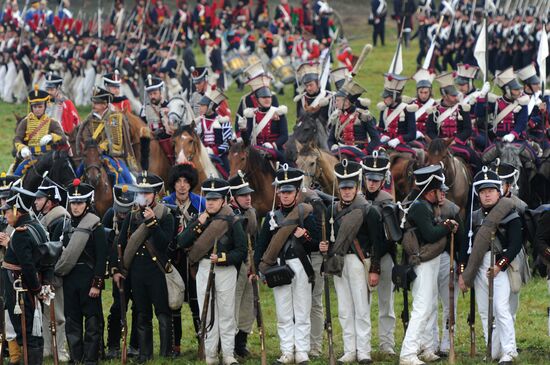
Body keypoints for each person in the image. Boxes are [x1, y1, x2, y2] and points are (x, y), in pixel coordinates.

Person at [255, 165, 320, 365]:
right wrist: (260, 269)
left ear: (297, 193)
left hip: (301, 264)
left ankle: (301, 351)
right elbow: (261, 245)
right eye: (282, 191)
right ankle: (286, 351)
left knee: (302, 311)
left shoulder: (306, 214)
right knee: (283, 313)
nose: (284, 195)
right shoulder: (271, 217)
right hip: (279, 267)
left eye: (289, 191)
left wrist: (305, 236)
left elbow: (316, 244)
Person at [177, 177, 246, 365]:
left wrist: (223, 258)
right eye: (208, 199)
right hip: (204, 267)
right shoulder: (200, 219)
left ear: (223, 200)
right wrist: (199, 222)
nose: (211, 202)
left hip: (225, 269)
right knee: (205, 312)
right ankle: (211, 355)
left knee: (226, 312)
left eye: (215, 199)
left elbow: (241, 250)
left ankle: (228, 354)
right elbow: (181, 242)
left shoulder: (232, 220)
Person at [320, 159, 382, 364]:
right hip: (339, 262)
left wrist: (375, 269)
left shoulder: (368, 210)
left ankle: (363, 351)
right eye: (343, 188)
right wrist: (325, 247)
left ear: (357, 187)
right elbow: (332, 239)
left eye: (350, 188)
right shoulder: (333, 210)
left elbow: (377, 242)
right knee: (344, 310)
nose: (346, 192)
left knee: (362, 309)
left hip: (359, 261)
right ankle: (349, 350)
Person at [458, 167, 522, 365]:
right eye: (483, 191)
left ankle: (509, 350)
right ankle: (493, 348)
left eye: (491, 190)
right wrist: (463, 272)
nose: (487, 194)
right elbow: (464, 249)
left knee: (501, 308)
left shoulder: (509, 214)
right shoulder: (474, 217)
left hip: (499, 267)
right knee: (485, 312)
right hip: (478, 268)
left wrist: (499, 266)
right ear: (478, 194)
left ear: (499, 191)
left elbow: (515, 244)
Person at [399, 165, 457, 365]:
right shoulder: (419, 207)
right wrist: (447, 225)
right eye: (437, 189)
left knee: (430, 305)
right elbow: (430, 234)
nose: (441, 193)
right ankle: (408, 354)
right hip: (422, 261)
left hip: (430, 261)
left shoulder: (425, 205)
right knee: (422, 308)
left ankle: (426, 347)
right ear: (429, 191)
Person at [114, 172, 175, 363]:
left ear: (155, 194)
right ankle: (144, 353)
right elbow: (120, 243)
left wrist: (153, 224)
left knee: (163, 313)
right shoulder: (132, 216)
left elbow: (166, 244)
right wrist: (117, 269)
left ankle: (166, 353)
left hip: (156, 270)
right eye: (141, 192)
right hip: (137, 272)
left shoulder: (165, 215)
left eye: (148, 193)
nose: (144, 196)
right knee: (142, 313)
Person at [52, 179, 107, 365]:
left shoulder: (96, 227)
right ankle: (77, 358)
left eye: (80, 203)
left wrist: (97, 284)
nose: (75, 207)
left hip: (89, 280)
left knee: (92, 322)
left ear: (87, 203)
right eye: (73, 203)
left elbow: (101, 258)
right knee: (72, 321)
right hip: (70, 281)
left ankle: (91, 359)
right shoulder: (64, 226)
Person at [1, 185, 51, 365]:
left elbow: (28, 266)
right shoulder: (35, 225)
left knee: (28, 333)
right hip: (30, 288)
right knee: (32, 332)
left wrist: (37, 289)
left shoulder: (21, 233)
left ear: (17, 211)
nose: (5, 216)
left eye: (7, 212)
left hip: (22, 291)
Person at [162, 163, 205, 355]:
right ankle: (175, 345)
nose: (182, 186)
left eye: (186, 181)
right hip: (174, 260)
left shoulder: (201, 203)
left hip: (195, 260)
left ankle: (202, 343)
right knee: (175, 302)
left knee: (197, 303)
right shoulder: (165, 203)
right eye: (178, 181)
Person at [33, 177, 71, 362]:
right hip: (43, 274)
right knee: (46, 313)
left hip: (54, 275)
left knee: (58, 315)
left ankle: (61, 350)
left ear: (49, 201)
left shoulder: (61, 219)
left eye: (39, 199)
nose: (36, 202)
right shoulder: (43, 219)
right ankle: (48, 348)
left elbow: (56, 250)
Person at [362, 151, 396, 355]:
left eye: (375, 180)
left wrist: (376, 261)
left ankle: (387, 344)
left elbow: (389, 237)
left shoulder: (387, 201)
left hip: (383, 256)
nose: (371, 184)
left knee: (386, 303)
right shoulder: (357, 199)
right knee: (361, 304)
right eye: (368, 179)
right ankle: (362, 344)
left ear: (383, 180)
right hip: (361, 257)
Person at [103, 184, 139, 359]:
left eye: (127, 209)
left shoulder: (137, 215)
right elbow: (105, 242)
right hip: (118, 268)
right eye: (120, 209)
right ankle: (113, 345)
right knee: (118, 307)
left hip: (136, 267)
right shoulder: (110, 215)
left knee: (139, 307)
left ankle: (135, 345)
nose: (123, 213)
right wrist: (113, 268)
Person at [430, 184, 465, 357]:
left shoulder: (452, 209)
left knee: (449, 304)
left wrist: (461, 264)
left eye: (444, 191)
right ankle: (433, 341)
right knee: (430, 304)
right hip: (429, 260)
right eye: (439, 191)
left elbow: (462, 239)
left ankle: (447, 341)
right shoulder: (425, 207)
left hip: (448, 259)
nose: (442, 195)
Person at [76, 87, 136, 185]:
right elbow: (86, 136)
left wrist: (101, 147)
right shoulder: (89, 120)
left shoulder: (115, 118)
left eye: (97, 103)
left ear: (104, 104)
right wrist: (92, 147)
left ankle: (126, 194)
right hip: (92, 154)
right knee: (78, 172)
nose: (93, 105)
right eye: (93, 102)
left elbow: (114, 139)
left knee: (125, 176)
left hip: (110, 155)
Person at [427, 72, 481, 171]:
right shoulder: (434, 111)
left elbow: (467, 130)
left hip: (458, 144)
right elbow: (430, 131)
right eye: (452, 95)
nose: (456, 97)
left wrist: (455, 140)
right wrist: (440, 142)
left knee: (475, 158)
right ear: (444, 95)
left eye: (455, 95)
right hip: (440, 147)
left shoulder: (462, 109)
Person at [228, 171, 256, 359]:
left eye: (248, 194)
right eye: (243, 195)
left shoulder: (251, 212)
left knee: (249, 303)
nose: (248, 198)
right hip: (235, 264)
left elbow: (257, 237)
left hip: (250, 261)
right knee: (233, 304)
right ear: (232, 198)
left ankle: (241, 342)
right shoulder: (227, 214)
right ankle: (229, 343)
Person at [13, 86, 68, 176]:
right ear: (31, 107)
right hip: (31, 156)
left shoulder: (52, 122)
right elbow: (17, 138)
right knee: (16, 175)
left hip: (49, 156)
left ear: (45, 106)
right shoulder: (25, 122)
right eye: (35, 106)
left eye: (40, 106)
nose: (37, 109)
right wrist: (22, 147)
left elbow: (63, 138)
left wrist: (52, 137)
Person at [475, 67, 529, 148]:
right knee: (484, 158)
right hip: (497, 142)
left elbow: (522, 123)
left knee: (534, 158)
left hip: (517, 140)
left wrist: (512, 135)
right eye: (516, 89)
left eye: (519, 89)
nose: (519, 91)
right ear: (507, 90)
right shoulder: (496, 102)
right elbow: (479, 113)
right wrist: (482, 96)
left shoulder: (522, 103)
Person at [242, 75, 289, 162]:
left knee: (286, 167)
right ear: (257, 100)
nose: (267, 100)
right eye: (263, 97)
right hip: (256, 150)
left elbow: (284, 136)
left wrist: (273, 145)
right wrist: (243, 130)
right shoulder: (252, 114)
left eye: (269, 97)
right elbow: (247, 139)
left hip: (275, 149)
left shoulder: (279, 113)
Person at [328, 79, 380, 156]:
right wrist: (333, 146)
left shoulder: (363, 116)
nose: (336, 104)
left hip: (358, 153)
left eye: (338, 101)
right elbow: (331, 139)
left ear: (346, 102)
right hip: (340, 152)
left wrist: (365, 152)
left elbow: (375, 139)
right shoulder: (337, 116)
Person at [377, 73, 417, 155]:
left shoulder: (407, 110)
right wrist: (381, 136)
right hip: (385, 144)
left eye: (386, 97)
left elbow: (412, 134)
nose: (384, 99)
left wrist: (398, 140)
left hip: (402, 144)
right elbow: (380, 128)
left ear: (394, 97)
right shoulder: (384, 109)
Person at [139, 74, 174, 169]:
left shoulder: (169, 106)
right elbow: (141, 125)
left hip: (165, 137)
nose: (152, 96)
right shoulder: (144, 109)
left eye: (155, 93)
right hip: (150, 137)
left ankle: (173, 164)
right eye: (150, 94)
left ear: (160, 92)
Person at [196, 88, 233, 175]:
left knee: (229, 176)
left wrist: (213, 151)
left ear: (211, 105)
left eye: (203, 105)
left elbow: (227, 144)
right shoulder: (200, 121)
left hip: (220, 156)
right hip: (203, 154)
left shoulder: (223, 121)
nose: (200, 108)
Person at [44, 72, 80, 136]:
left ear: (58, 88)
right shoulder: (42, 103)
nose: (49, 92)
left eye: (52, 89)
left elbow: (76, 122)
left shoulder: (67, 103)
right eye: (47, 89)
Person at [410, 68, 436, 145]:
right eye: (421, 92)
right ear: (417, 92)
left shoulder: (435, 105)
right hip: (411, 135)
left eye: (426, 92)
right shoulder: (411, 104)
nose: (423, 95)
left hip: (427, 137)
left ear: (430, 92)